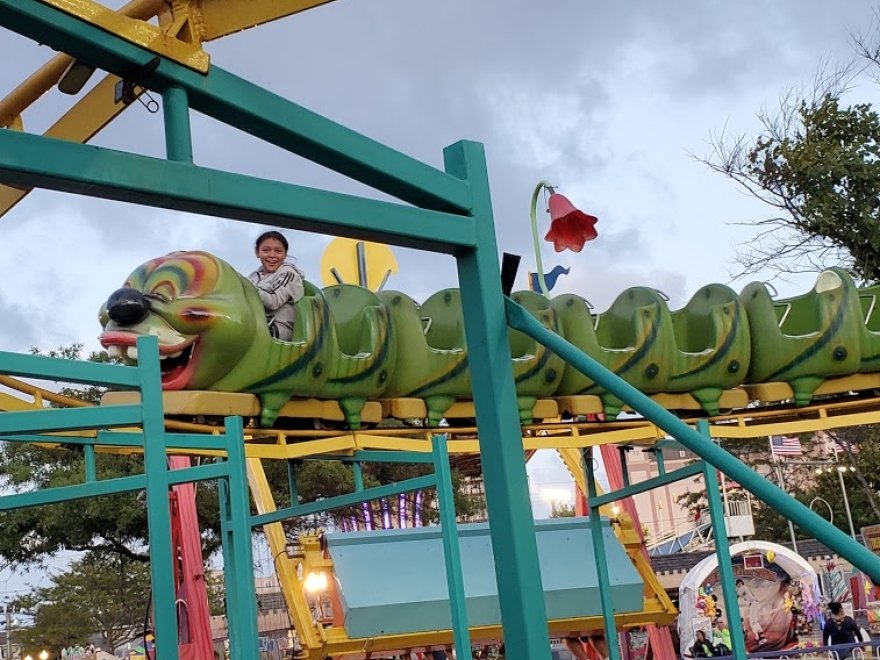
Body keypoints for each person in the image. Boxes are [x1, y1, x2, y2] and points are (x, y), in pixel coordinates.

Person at [248, 231, 305, 341]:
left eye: (278, 251)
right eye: (266, 250)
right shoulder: (253, 277)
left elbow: (273, 301)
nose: (272, 255)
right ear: (257, 252)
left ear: (285, 253)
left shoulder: (289, 274)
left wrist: (247, 289)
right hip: (255, 323)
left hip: (278, 329)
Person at [736, 578, 767, 646]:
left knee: (754, 622)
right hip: (753, 604)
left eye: (739, 583)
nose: (739, 585)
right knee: (752, 623)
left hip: (753, 604)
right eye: (738, 584)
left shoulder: (743, 587)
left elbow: (736, 596)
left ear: (742, 583)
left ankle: (762, 638)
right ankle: (758, 637)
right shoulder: (744, 589)